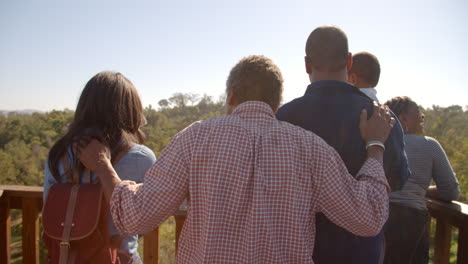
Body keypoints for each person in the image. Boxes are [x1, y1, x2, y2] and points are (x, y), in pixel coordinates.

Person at [77, 55, 394, 263]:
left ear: (231, 96)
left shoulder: (196, 138)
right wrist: (376, 145)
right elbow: (368, 217)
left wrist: (104, 166)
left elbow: (136, 218)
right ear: (276, 102)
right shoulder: (311, 148)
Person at [276, 26, 410, 264]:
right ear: (349, 62)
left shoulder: (283, 117)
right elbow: (397, 179)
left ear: (307, 65)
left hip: (298, 248)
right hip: (361, 249)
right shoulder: (380, 117)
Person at [43, 71, 156, 264]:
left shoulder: (58, 154)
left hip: (67, 256)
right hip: (118, 257)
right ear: (129, 110)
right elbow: (147, 219)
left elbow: (48, 204)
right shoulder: (140, 157)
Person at [384, 96, 460, 264]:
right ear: (404, 119)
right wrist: (422, 190)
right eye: (418, 113)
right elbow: (451, 191)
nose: (422, 117)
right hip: (410, 222)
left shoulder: (375, 142)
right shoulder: (429, 145)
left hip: (376, 215)